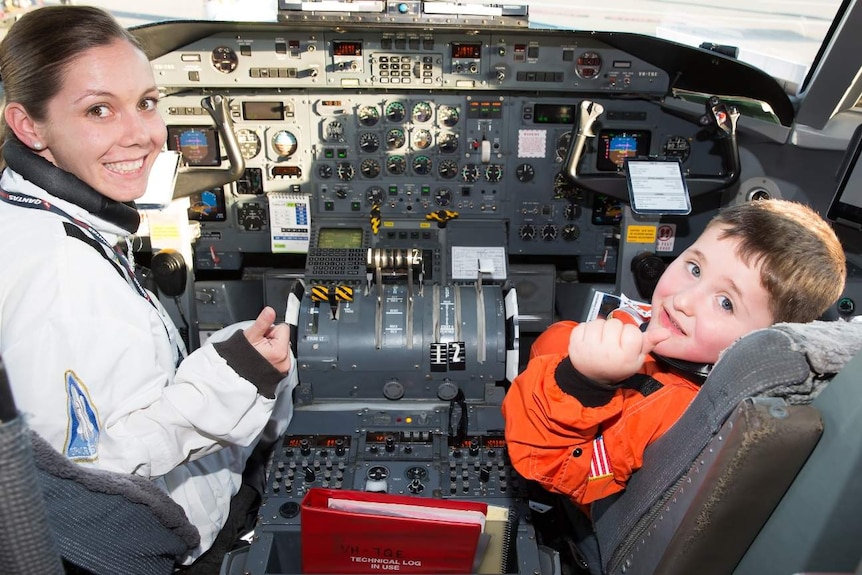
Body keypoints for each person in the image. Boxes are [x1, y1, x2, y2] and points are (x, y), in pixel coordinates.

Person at [0, 5, 297, 565]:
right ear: (29, 126)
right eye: (99, 110)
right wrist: (234, 381)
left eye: (146, 102)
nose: (142, 135)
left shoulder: (35, 221)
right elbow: (84, 478)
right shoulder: (57, 274)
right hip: (164, 539)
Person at [502, 199, 846, 512]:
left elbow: (553, 469)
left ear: (758, 341)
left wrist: (584, 381)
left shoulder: (668, 411)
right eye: (695, 268)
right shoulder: (654, 329)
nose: (683, 299)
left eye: (725, 302)